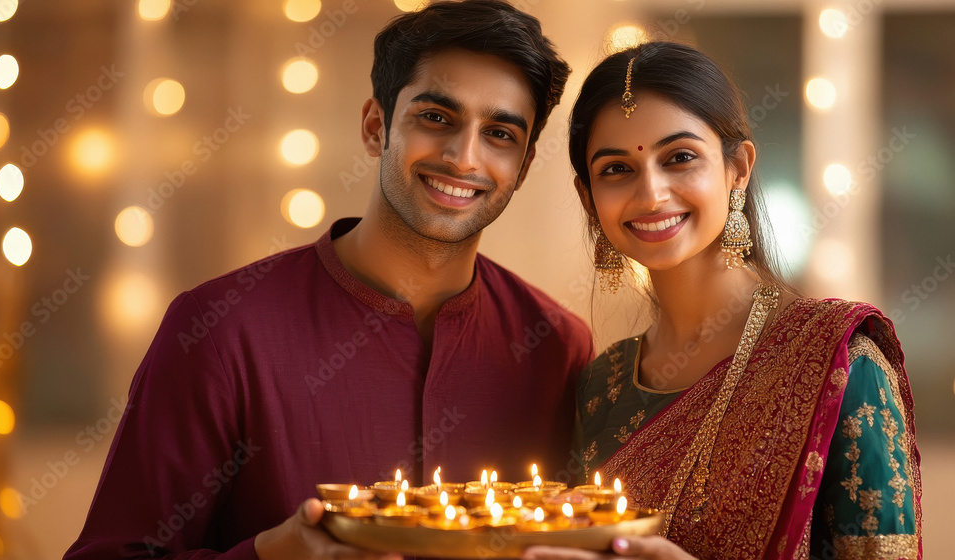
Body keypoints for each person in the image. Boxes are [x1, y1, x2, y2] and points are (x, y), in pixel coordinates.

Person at [64, 2, 592, 559]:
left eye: (500, 134)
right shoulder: (221, 332)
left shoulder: (558, 348)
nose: (464, 158)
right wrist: (271, 554)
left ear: (525, 167)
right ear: (375, 127)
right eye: (436, 118)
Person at [523, 42, 922, 560]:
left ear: (739, 169)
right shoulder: (603, 386)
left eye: (680, 158)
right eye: (616, 169)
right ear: (588, 196)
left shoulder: (838, 362)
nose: (651, 195)